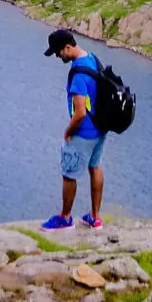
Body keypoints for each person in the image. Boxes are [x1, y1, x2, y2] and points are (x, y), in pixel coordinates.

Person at [42, 27, 105, 229]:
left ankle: (65, 217)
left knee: (69, 173)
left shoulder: (78, 74)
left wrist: (68, 131)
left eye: (59, 52)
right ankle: (95, 217)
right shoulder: (92, 59)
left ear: (67, 47)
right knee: (94, 167)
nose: (58, 57)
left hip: (83, 132)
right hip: (100, 128)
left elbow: (79, 112)